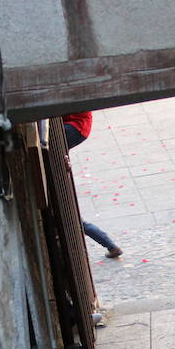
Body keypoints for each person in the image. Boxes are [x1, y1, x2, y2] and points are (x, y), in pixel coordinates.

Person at [59, 111, 123, 259]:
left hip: (76, 125)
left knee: (78, 222)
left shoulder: (74, 125)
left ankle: (111, 246)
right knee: (79, 222)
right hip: (77, 126)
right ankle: (111, 246)